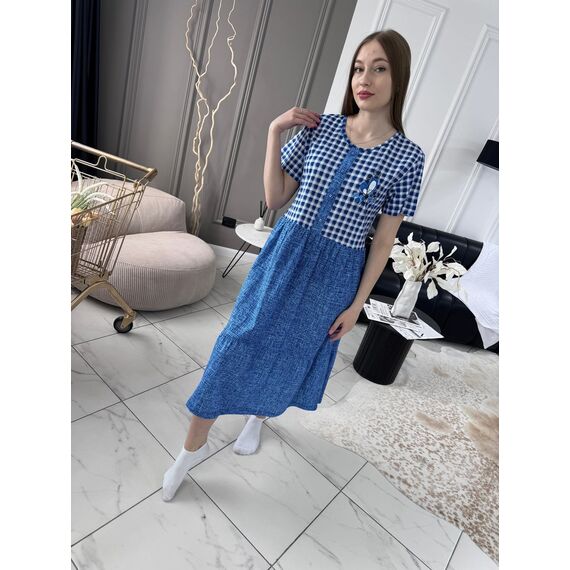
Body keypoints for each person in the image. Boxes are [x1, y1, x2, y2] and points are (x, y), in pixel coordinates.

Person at [162, 29, 425, 502]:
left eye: (379, 68)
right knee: (237, 343)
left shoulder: (408, 158)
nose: (364, 79)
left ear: (399, 76)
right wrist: (273, 131)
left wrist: (357, 306)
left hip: (336, 273)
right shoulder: (321, 128)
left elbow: (384, 241)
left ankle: (257, 419)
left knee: (291, 353)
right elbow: (274, 197)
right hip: (285, 255)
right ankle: (187, 453)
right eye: (359, 68)